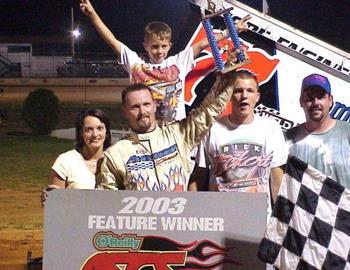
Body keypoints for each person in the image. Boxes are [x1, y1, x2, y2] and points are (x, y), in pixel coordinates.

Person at [80, 0, 250, 122]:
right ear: (145, 45)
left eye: (163, 46)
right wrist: (92, 14)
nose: (159, 51)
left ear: (169, 45)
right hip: (145, 130)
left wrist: (231, 31)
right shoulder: (135, 63)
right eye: (154, 46)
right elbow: (111, 40)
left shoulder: (178, 62)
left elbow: (205, 43)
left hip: (175, 131)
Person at [98, 72, 236, 191]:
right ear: (125, 111)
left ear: (154, 106)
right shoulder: (115, 154)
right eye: (135, 107)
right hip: (142, 221)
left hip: (179, 220)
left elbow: (208, 111)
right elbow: (107, 202)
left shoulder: (178, 134)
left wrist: (226, 81)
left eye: (146, 104)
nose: (142, 112)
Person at [191, 70, 288, 212]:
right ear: (230, 95)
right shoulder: (213, 128)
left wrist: (281, 222)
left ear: (257, 96)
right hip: (219, 217)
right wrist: (192, 214)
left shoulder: (271, 128)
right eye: (238, 91)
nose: (244, 96)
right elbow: (199, 176)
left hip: (258, 218)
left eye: (250, 91)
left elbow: (277, 180)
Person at [285, 73, 350, 187]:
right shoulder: (287, 139)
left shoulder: (347, 132)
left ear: (330, 100)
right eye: (309, 98)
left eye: (321, 97)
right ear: (301, 101)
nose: (315, 103)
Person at [41, 108, 112, 204]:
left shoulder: (115, 160)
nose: (95, 134)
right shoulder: (66, 161)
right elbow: (55, 205)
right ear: (81, 133)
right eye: (88, 130)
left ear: (106, 132)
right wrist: (49, 199)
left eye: (100, 128)